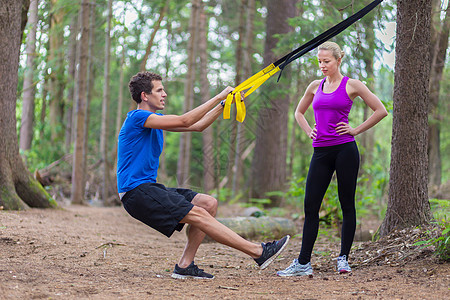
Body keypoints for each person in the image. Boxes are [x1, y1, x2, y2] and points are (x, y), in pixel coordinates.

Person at [117, 71, 289, 279]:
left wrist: (225, 104)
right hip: (136, 192)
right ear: (145, 95)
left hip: (147, 188)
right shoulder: (137, 118)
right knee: (198, 214)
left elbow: (197, 126)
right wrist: (218, 96)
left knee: (208, 204)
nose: (165, 94)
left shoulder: (155, 120)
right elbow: (184, 120)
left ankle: (184, 265)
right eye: (159, 90)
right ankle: (258, 252)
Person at [277, 42, 388, 277]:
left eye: (326, 61)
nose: (322, 66)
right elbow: (298, 112)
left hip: (345, 150)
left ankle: (343, 259)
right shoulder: (315, 86)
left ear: (338, 60)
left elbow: (380, 110)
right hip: (321, 152)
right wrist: (309, 131)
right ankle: (303, 262)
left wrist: (355, 130)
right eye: (319, 61)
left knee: (346, 203)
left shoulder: (352, 85)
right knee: (310, 206)